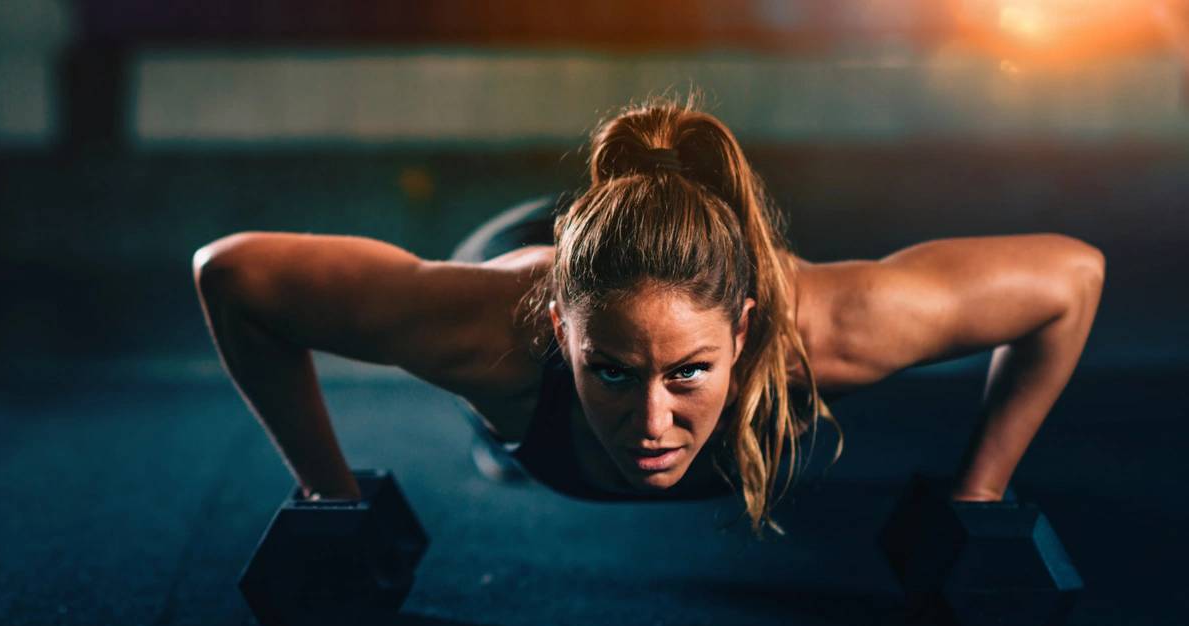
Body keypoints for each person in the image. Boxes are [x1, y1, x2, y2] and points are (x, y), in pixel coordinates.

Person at [192, 97, 1105, 534]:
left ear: (743, 334)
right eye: (616, 375)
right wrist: (329, 494)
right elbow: (231, 273)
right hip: (526, 255)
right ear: (562, 337)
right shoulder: (486, 331)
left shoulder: (823, 330)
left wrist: (979, 496)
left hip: (676, 267)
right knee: (496, 407)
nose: (654, 425)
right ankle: (519, 415)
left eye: (690, 374)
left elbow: (1072, 276)